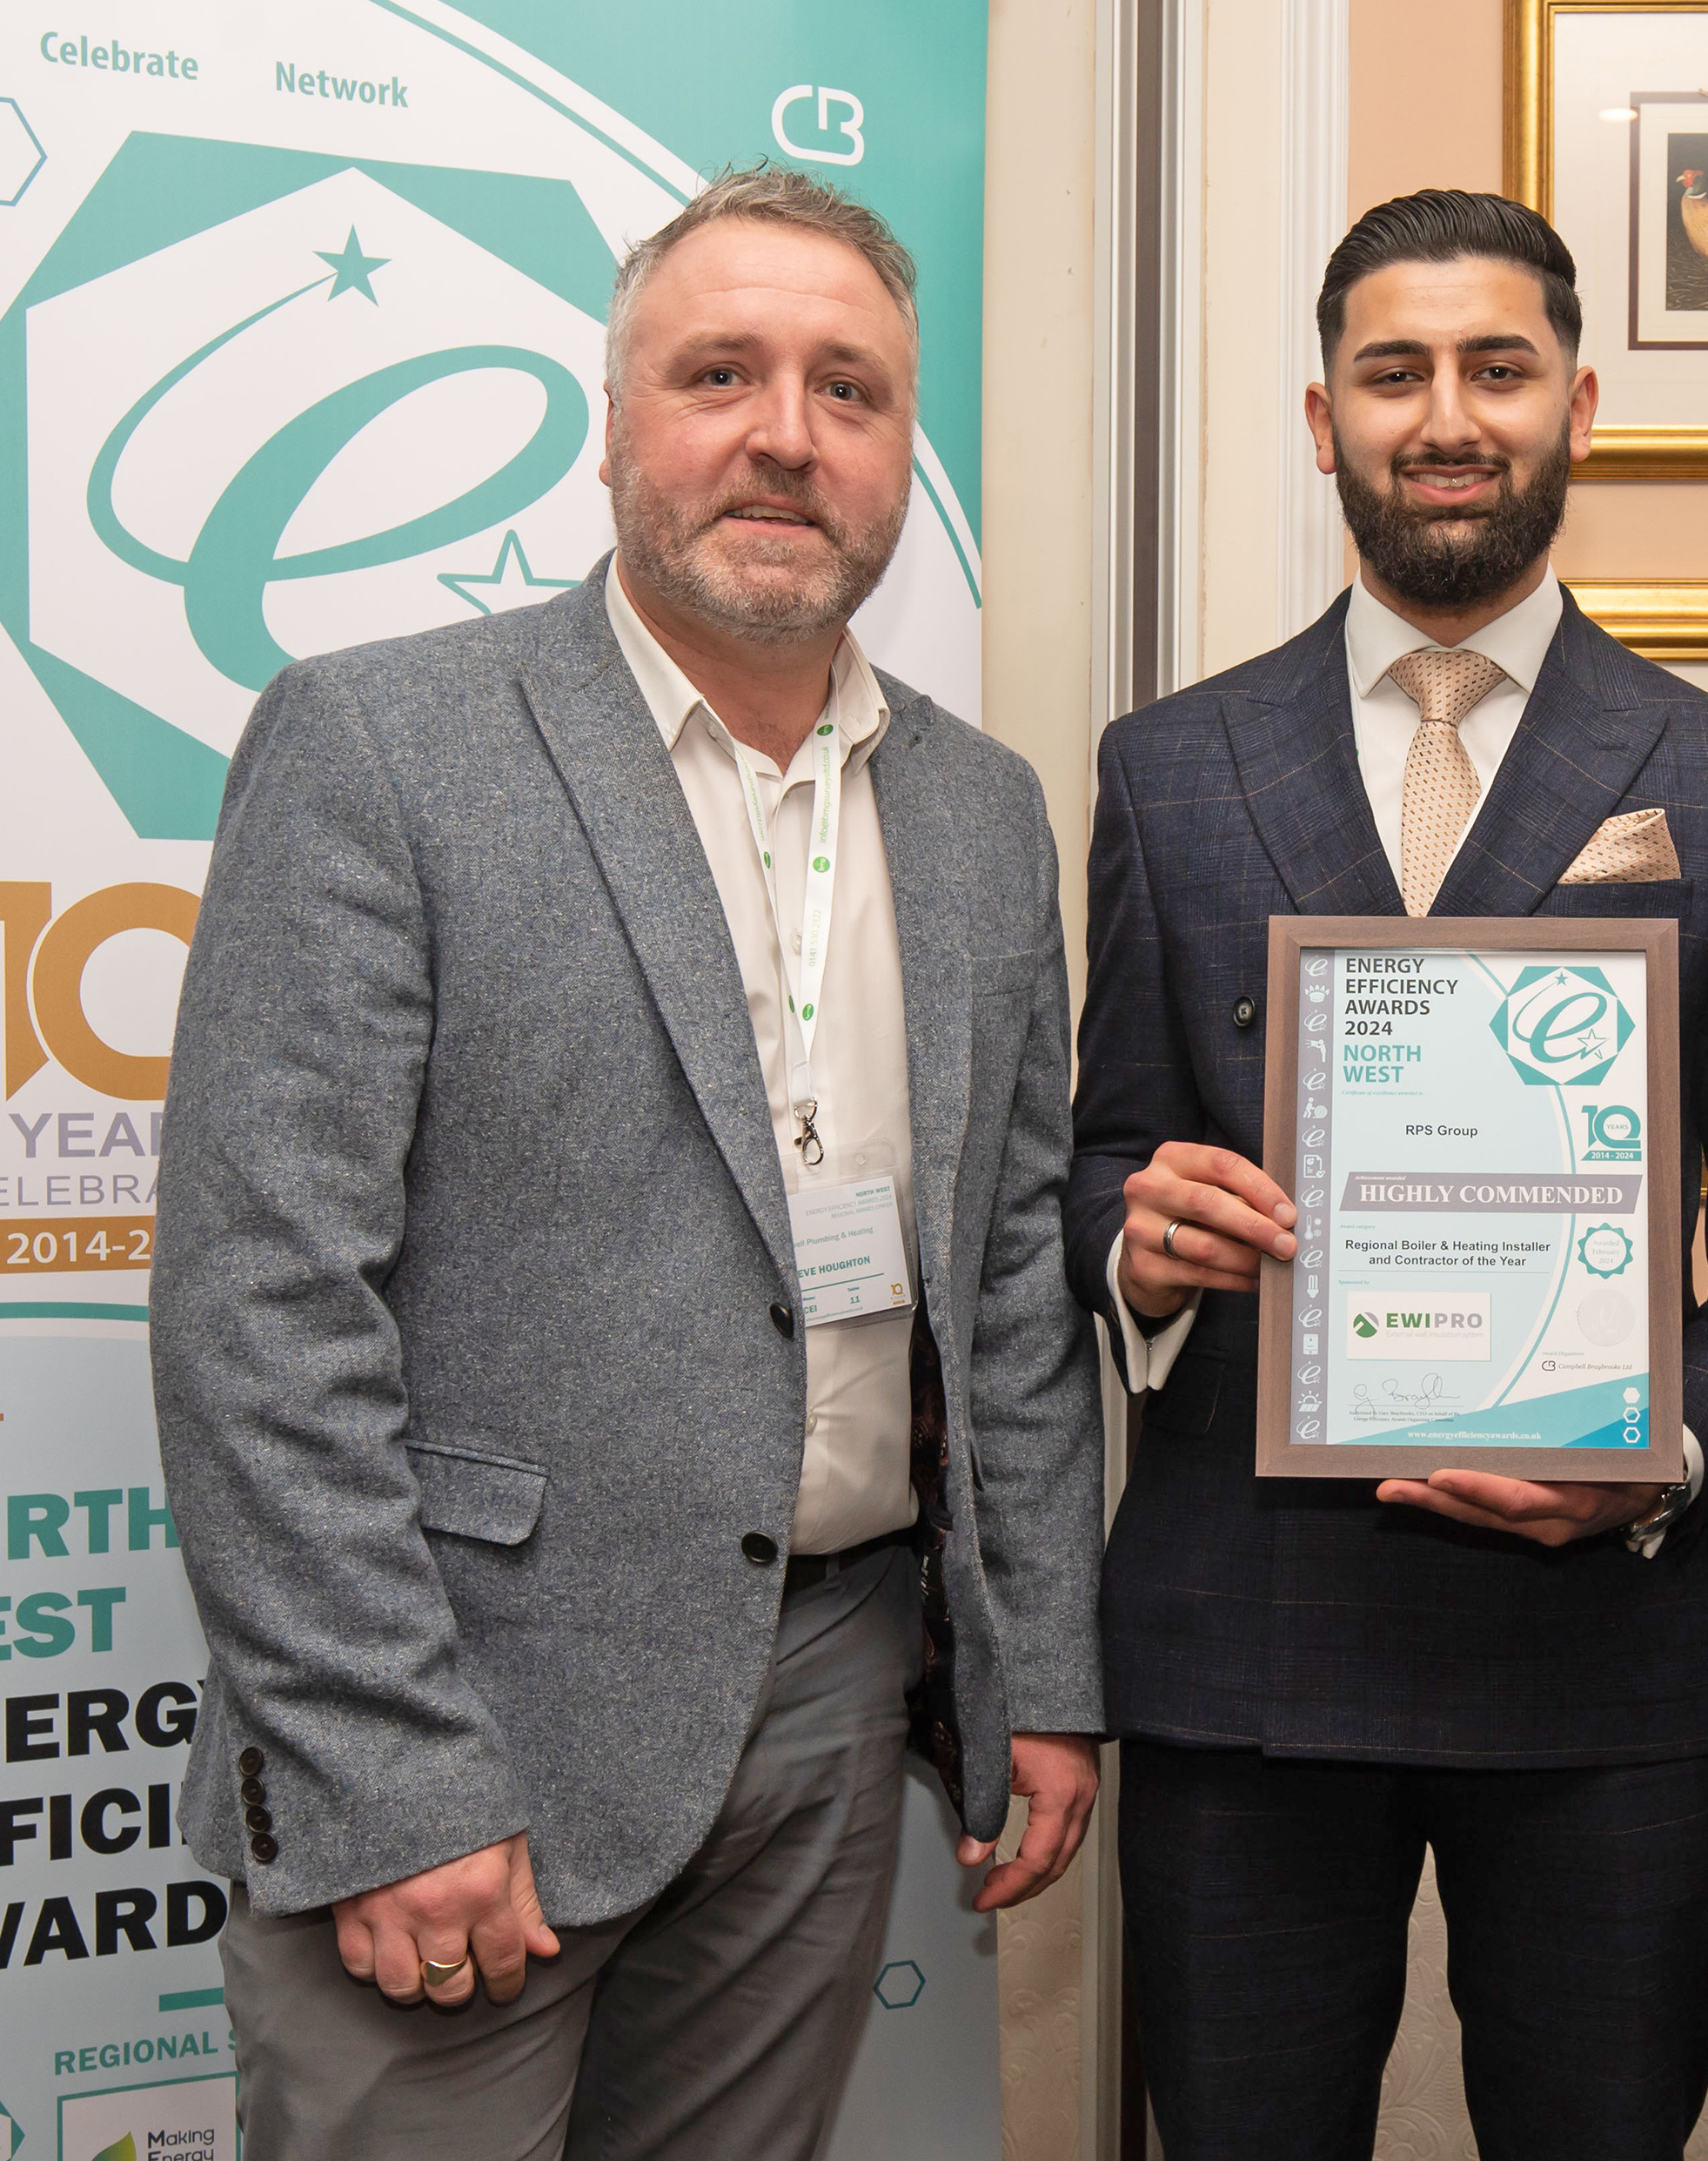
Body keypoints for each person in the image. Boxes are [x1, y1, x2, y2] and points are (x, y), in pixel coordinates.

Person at [151, 166, 1104, 2158]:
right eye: (720, 373)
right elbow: (264, 1308)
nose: (787, 434)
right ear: (610, 427)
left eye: (849, 389)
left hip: (834, 1688)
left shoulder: (983, 810)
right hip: (473, 1718)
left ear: (901, 454)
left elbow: (1008, 1274)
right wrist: (393, 1774)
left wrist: (1041, 1666)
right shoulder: (383, 746)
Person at [1069, 189, 1708, 2158]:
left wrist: (1664, 1452)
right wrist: (1139, 1246)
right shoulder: (1166, 763)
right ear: (1325, 419)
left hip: (1594, 1655)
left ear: (1581, 404)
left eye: (1498, 368)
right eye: (1394, 374)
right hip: (1246, 1644)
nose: (1449, 417)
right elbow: (1094, 1158)